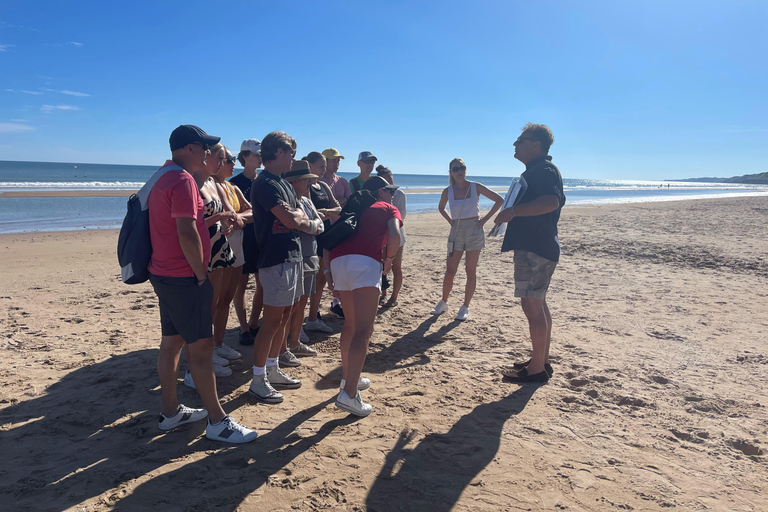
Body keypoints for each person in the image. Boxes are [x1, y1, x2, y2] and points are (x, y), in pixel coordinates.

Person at [149, 125, 255, 443]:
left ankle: (171, 412)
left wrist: (212, 220)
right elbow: (185, 233)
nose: (209, 154)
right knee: (202, 348)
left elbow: (185, 223)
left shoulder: (164, 175)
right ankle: (217, 421)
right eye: (205, 148)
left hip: (164, 273)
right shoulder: (181, 179)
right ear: (190, 149)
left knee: (172, 342)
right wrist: (199, 276)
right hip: (183, 276)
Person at [248, 131, 318, 404]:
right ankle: (257, 379)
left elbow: (298, 213)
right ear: (277, 152)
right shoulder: (265, 182)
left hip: (293, 255)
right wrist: (302, 220)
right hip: (275, 258)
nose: (293, 157)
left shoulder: (283, 183)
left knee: (285, 315)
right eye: (290, 151)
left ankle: (273, 368)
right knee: (272, 321)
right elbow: (290, 218)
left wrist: (299, 218)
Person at [325, 176, 402, 417]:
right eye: (389, 191)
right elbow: (396, 237)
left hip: (339, 262)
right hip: (365, 263)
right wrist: (388, 261)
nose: (392, 195)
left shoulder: (352, 207)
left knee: (350, 324)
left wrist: (327, 271)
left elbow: (331, 238)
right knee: (363, 330)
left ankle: (350, 379)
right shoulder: (388, 207)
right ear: (380, 192)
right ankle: (348, 394)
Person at [494, 123, 565, 383]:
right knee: (535, 303)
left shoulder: (544, 170)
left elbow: (551, 201)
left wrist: (513, 212)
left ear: (536, 145)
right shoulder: (537, 170)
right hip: (535, 246)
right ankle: (541, 360)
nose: (515, 144)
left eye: (520, 140)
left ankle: (537, 369)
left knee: (533, 305)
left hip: (537, 247)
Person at [431, 158, 503, 321]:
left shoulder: (475, 187)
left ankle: (465, 306)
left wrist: (485, 220)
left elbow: (499, 200)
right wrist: (450, 221)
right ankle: (443, 302)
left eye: (462, 167)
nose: (459, 171)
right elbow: (441, 208)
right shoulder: (447, 191)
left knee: (470, 271)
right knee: (450, 271)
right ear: (451, 172)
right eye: (456, 169)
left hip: (474, 230)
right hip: (456, 231)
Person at [211, 147, 251, 361]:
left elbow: (250, 211)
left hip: (237, 244)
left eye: (233, 159)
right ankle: (210, 348)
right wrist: (239, 217)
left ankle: (218, 343)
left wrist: (239, 218)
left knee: (226, 298)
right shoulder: (212, 185)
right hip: (220, 245)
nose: (233, 163)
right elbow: (229, 218)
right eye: (229, 159)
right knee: (215, 300)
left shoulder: (232, 187)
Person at [283, 160, 324, 362]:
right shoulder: (288, 201)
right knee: (292, 304)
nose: (309, 184)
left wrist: (309, 225)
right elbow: (299, 225)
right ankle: (285, 345)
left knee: (303, 300)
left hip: (310, 257)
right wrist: (311, 225)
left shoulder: (307, 201)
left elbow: (319, 223)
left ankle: (296, 342)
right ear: (295, 181)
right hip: (295, 257)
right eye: (305, 180)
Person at [230, 139, 263, 346]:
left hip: (261, 239)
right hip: (242, 239)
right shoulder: (234, 183)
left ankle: (253, 323)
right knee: (240, 285)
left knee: (263, 285)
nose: (260, 157)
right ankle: (243, 328)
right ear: (245, 157)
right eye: (256, 154)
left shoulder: (265, 180)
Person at [304, 152, 341, 333]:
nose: (323, 170)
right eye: (320, 166)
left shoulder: (324, 185)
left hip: (324, 234)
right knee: (308, 278)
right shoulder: (305, 185)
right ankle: (303, 320)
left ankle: (313, 316)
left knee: (321, 278)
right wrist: (325, 213)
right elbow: (310, 211)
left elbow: (338, 208)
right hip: (310, 235)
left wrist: (325, 211)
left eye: (324, 167)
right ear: (309, 165)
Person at [320, 147, 351, 319]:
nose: (337, 163)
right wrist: (338, 204)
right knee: (323, 269)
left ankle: (335, 302)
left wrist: (337, 205)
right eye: (334, 160)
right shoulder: (320, 182)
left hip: (340, 228)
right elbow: (335, 206)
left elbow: (348, 202)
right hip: (325, 228)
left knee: (338, 265)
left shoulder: (342, 181)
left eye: (338, 160)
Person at [375, 165, 406, 307]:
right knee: (383, 264)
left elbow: (401, 215)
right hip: (382, 233)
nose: (390, 182)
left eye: (391, 179)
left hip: (396, 232)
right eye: (387, 180)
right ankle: (383, 294)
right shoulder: (379, 193)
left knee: (396, 266)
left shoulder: (400, 195)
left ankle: (394, 297)